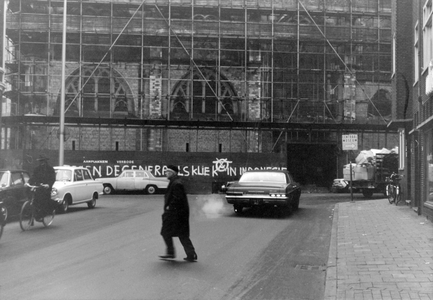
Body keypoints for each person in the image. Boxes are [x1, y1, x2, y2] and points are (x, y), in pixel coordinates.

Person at [159, 165, 197, 262]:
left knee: (166, 232)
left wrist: (169, 207)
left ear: (172, 173)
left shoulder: (176, 184)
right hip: (178, 214)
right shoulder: (174, 182)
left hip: (175, 214)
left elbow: (178, 199)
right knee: (182, 234)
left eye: (167, 171)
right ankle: (191, 254)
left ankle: (171, 253)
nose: (165, 173)